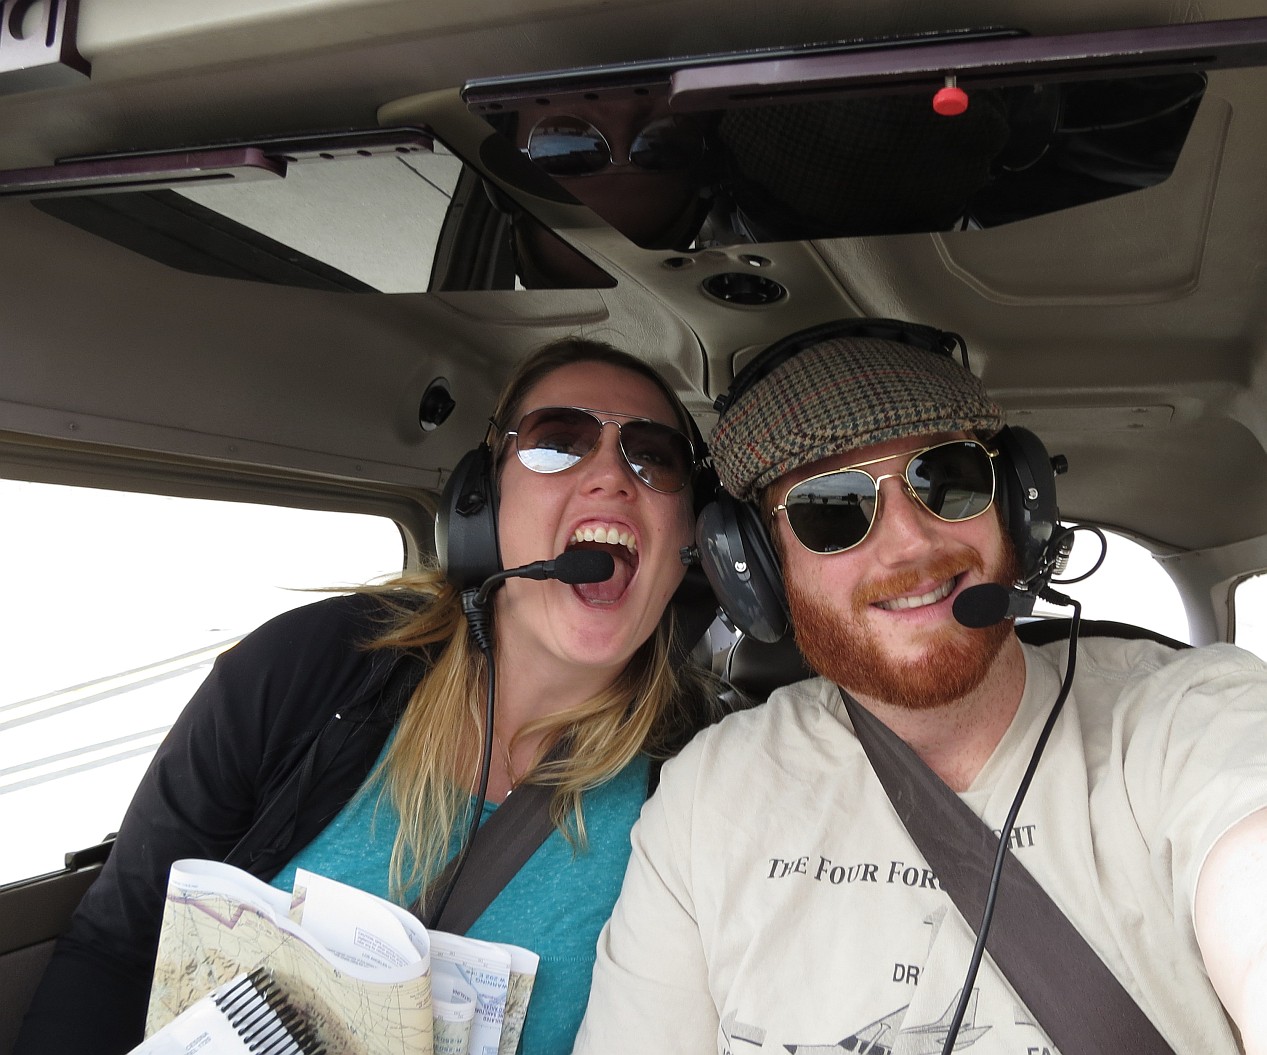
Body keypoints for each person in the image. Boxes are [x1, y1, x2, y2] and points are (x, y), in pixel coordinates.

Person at [574, 319, 1267, 1054]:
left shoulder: (1188, 719)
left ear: (1015, 506)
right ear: (758, 568)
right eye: (831, 509)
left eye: (948, 478)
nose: (911, 542)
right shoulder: (707, 799)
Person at [16, 337, 718, 1055]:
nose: (611, 475)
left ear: (691, 544)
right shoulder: (309, 668)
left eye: (653, 456)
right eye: (557, 442)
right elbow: (115, 949)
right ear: (480, 501)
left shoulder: (709, 782)